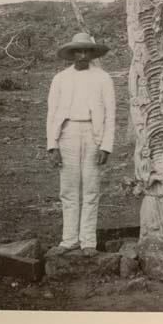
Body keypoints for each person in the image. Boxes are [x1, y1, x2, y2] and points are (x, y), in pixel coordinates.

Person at [46, 32, 116, 257]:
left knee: (91, 188)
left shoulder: (103, 78)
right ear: (72, 53)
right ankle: (69, 240)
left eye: (87, 50)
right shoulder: (60, 78)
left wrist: (106, 145)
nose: (83, 55)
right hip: (67, 133)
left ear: (93, 53)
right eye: (78, 50)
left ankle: (88, 242)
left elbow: (111, 114)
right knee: (68, 189)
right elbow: (52, 113)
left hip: (93, 133)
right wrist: (53, 145)